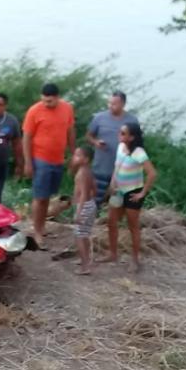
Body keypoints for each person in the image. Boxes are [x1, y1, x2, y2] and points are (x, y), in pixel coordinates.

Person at [98, 122, 157, 273]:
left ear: (132, 137)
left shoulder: (139, 152)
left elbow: (152, 174)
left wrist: (142, 193)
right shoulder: (120, 147)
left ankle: (135, 260)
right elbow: (117, 167)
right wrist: (112, 185)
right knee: (111, 223)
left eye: (123, 133)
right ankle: (112, 254)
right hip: (118, 191)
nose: (120, 135)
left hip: (132, 192)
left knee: (133, 226)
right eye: (120, 132)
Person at [23, 83, 76, 249]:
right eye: (44, 101)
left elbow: (70, 131)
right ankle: (37, 232)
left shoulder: (67, 109)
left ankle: (41, 227)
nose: (47, 104)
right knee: (40, 197)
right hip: (40, 159)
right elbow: (26, 138)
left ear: (57, 98)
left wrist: (74, 153)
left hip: (58, 159)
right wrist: (28, 162)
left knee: (47, 197)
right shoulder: (34, 111)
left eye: (50, 101)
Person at [86, 91, 139, 206]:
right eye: (109, 103)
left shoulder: (132, 121)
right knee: (94, 201)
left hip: (122, 171)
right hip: (100, 168)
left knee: (115, 204)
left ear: (123, 104)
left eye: (114, 104)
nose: (110, 106)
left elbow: (138, 143)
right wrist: (96, 142)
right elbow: (89, 136)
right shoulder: (99, 118)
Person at [71, 146, 97, 275]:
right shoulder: (88, 171)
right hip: (90, 205)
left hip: (84, 206)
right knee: (84, 234)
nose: (74, 158)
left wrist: (79, 212)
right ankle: (85, 259)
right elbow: (94, 189)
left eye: (78, 155)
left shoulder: (82, 173)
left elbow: (84, 194)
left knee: (79, 236)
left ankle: (85, 266)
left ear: (86, 159)